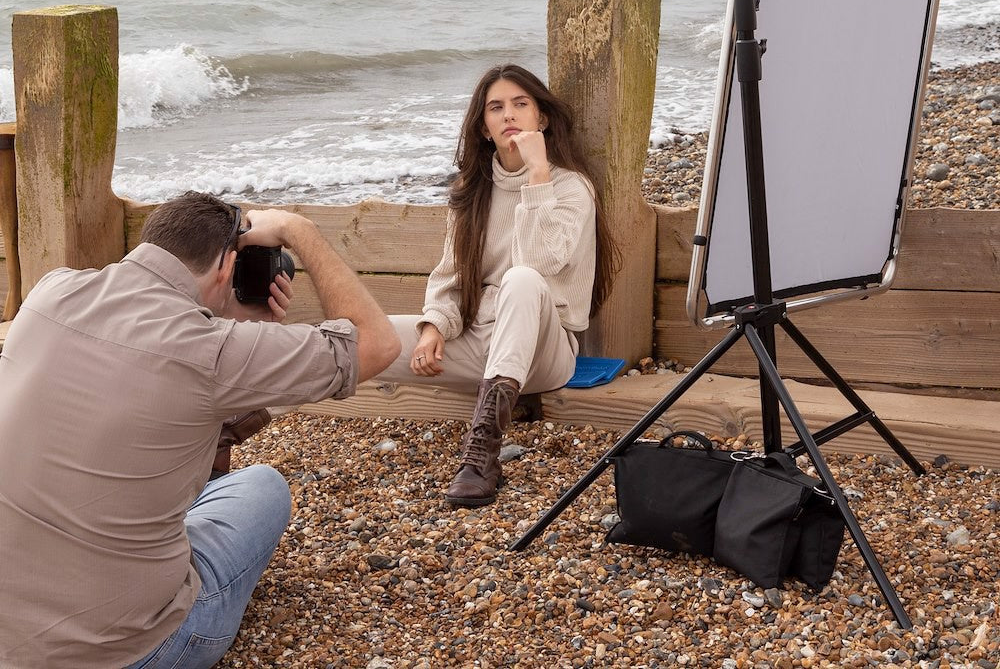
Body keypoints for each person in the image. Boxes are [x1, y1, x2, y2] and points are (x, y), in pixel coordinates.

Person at [0, 193, 400, 669]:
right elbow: (378, 343)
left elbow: (159, 384)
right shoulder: (211, 350)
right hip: (129, 651)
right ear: (227, 267)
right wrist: (298, 229)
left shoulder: (52, 291)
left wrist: (233, 326)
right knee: (262, 486)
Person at [378, 64, 618, 507]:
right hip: (480, 341)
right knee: (362, 336)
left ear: (540, 119)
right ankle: (240, 421)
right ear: (484, 127)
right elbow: (450, 275)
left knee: (522, 279)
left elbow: (538, 263)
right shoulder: (472, 192)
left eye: (520, 104)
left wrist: (538, 173)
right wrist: (433, 327)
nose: (509, 114)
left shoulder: (570, 188)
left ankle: (482, 452)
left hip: (546, 353)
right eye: (496, 107)